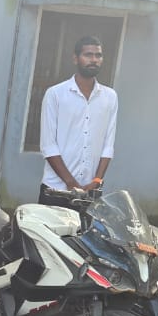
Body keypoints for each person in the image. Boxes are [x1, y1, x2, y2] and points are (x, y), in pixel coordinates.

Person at [38, 36, 118, 207]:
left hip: (90, 192)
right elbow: (48, 145)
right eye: (88, 55)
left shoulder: (110, 97)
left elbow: (108, 145)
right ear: (75, 58)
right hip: (56, 190)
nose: (94, 60)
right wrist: (71, 183)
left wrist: (97, 180)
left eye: (98, 55)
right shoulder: (56, 94)